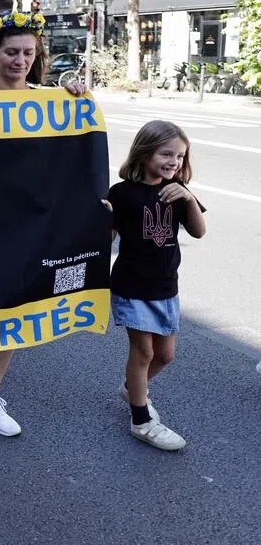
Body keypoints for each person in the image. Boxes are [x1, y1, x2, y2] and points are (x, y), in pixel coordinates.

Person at [0, 9, 88, 450]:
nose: (20, 60)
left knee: (18, 311)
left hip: (32, 223)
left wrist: (73, 96)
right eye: (12, 51)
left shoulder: (52, 100)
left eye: (29, 52)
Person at [107, 121, 206, 450]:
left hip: (166, 286)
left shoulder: (177, 191)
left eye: (180, 156)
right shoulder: (122, 193)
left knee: (165, 355)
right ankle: (141, 419)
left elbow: (198, 232)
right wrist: (102, 216)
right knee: (143, 352)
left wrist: (189, 199)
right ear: (144, 152)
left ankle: (132, 388)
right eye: (166, 154)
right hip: (131, 286)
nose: (174, 162)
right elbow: (107, 238)